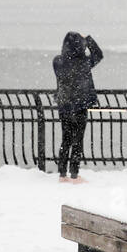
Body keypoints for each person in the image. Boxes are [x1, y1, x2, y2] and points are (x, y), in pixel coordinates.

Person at [52, 31, 102, 182]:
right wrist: (88, 41)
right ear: (80, 46)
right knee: (77, 141)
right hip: (80, 105)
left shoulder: (58, 61)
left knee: (65, 139)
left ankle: (62, 174)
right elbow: (98, 55)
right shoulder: (84, 62)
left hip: (64, 105)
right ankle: (74, 174)